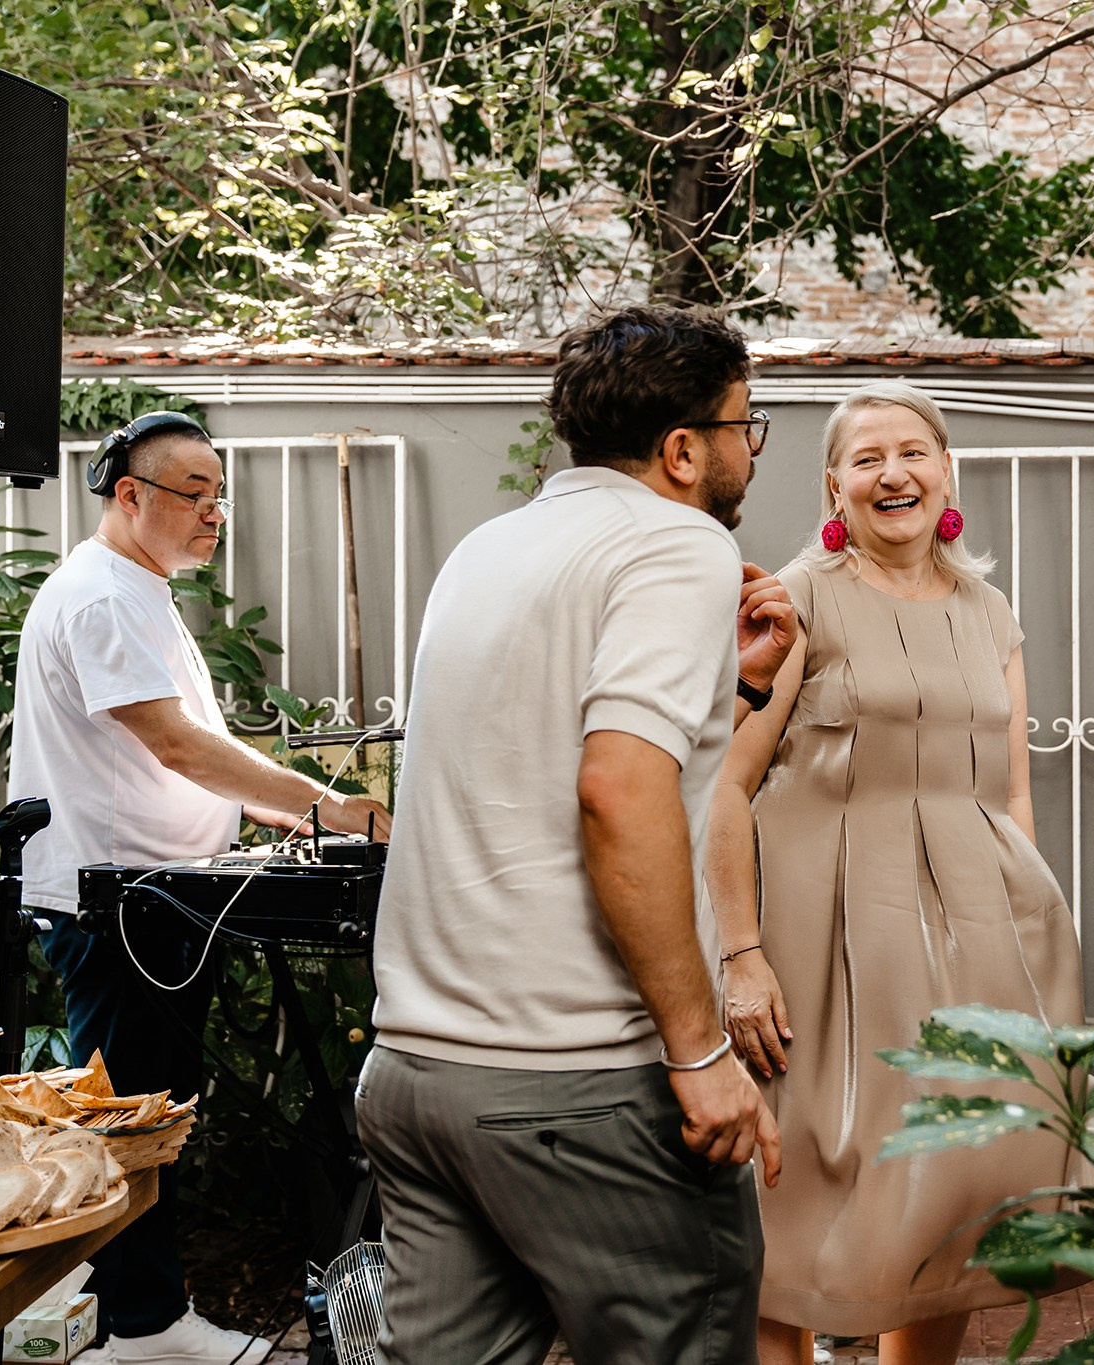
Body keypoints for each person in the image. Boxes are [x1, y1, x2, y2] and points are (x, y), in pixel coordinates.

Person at [359, 305, 794, 1365]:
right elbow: (615, 792)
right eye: (747, 424)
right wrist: (699, 1053)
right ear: (684, 449)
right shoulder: (675, 541)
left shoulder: (489, 548)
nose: (751, 448)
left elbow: (541, 759)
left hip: (416, 1078)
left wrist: (735, 685)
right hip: (573, 1087)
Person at [710, 381, 1085, 1365]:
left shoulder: (988, 610)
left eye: (912, 451)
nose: (892, 473)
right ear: (834, 487)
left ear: (945, 469)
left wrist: (1028, 939)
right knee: (795, 1202)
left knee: (949, 1197)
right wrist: (739, 952)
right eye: (866, 458)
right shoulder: (794, 604)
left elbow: (1009, 795)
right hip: (817, 940)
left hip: (974, 938)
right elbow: (724, 785)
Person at [10, 410, 392, 1364]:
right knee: (133, 1120)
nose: (216, 511)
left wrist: (276, 817)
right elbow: (176, 743)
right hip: (122, 903)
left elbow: (177, 760)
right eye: (195, 492)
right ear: (128, 494)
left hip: (161, 894)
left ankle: (145, 1317)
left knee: (158, 1105)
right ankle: (136, 1327)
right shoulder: (102, 596)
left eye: (221, 493)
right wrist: (329, 808)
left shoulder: (140, 589)